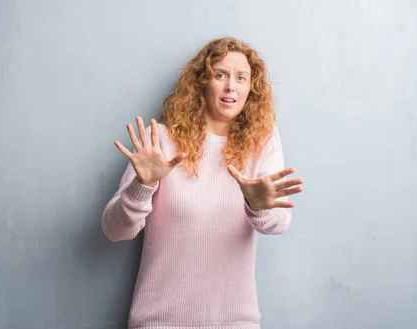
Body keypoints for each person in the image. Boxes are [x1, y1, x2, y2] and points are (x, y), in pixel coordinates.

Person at [101, 37, 304, 329]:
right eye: (220, 75)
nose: (231, 86)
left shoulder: (263, 142)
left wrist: (259, 207)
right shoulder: (160, 139)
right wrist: (141, 187)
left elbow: (279, 223)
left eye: (241, 78)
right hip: (160, 322)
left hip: (236, 323)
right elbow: (114, 230)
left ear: (251, 88)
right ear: (201, 82)